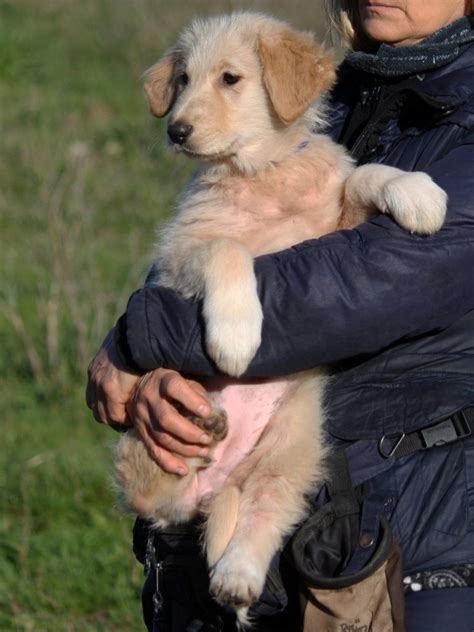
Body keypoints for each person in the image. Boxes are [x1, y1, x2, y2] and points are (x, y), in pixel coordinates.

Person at [86, 1, 474, 630]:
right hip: (275, 537)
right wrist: (149, 370)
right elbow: (179, 272)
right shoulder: (339, 95)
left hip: (412, 543)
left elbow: (344, 292)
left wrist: (138, 338)